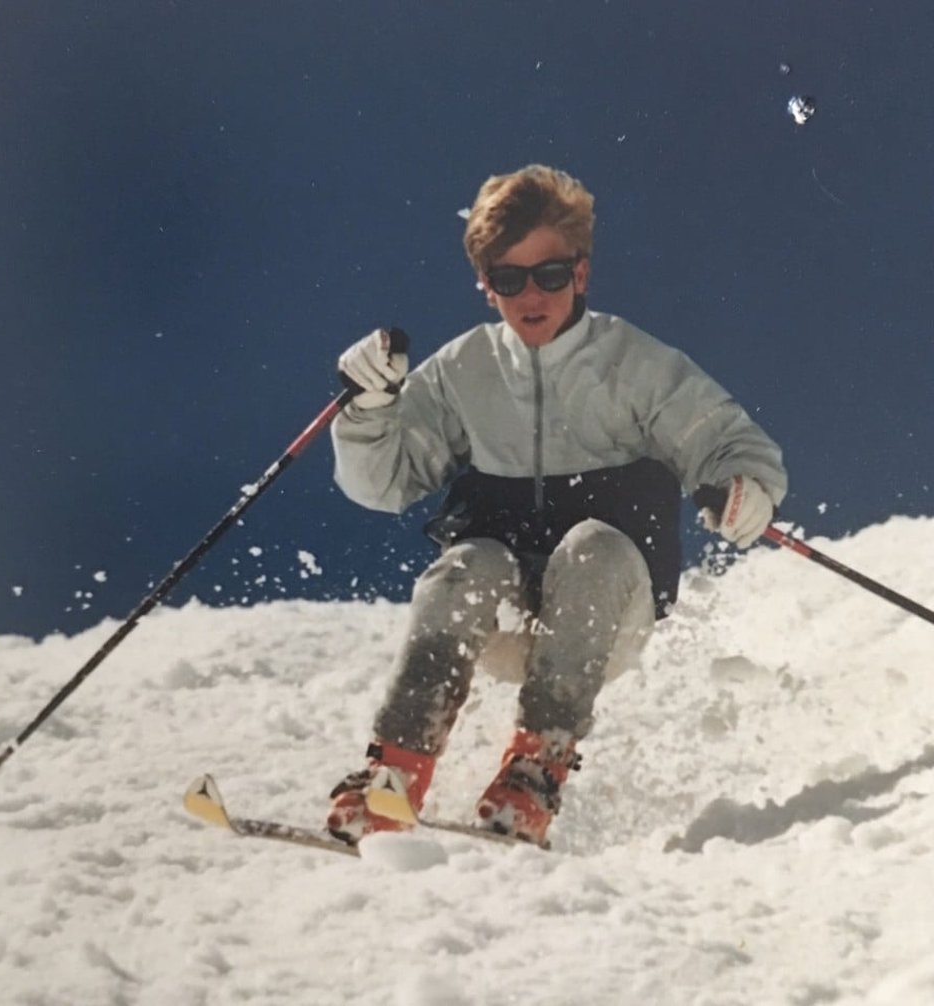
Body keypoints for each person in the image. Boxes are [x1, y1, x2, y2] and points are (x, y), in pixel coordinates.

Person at [326, 164, 787, 847]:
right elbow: (382, 483)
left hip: (604, 617)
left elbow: (729, 442)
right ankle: (393, 773)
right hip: (509, 619)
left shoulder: (633, 364)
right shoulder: (464, 371)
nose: (530, 295)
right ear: (486, 285)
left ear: (581, 274)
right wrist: (367, 411)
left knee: (593, 547)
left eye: (548, 274)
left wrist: (742, 491)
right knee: (466, 564)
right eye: (508, 280)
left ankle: (535, 772)